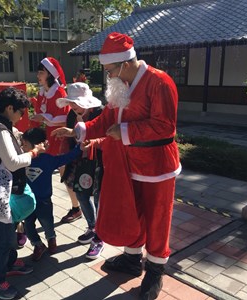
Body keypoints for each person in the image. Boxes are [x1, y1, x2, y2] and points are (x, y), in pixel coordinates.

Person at [52, 32, 181, 299]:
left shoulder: (160, 82)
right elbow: (105, 119)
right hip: (128, 163)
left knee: (158, 218)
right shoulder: (121, 86)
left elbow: (164, 126)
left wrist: (123, 132)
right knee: (131, 212)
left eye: (110, 70)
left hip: (157, 166)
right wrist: (77, 130)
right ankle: (132, 259)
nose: (108, 76)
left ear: (125, 63)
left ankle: (155, 270)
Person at [0, 87, 44, 300]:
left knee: (6, 236)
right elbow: (12, 162)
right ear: (9, 108)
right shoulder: (0, 130)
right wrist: (33, 153)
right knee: (3, 240)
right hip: (2, 193)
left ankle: (9, 264)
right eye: (20, 112)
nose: (21, 117)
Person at [55, 82, 105, 260]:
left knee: (99, 199)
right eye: (71, 102)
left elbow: (108, 137)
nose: (73, 106)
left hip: (99, 161)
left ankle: (100, 237)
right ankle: (92, 227)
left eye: (76, 103)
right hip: (79, 160)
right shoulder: (71, 114)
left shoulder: (101, 112)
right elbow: (73, 136)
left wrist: (89, 140)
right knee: (81, 194)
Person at [30, 57, 82, 224]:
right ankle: (69, 206)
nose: (38, 75)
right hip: (49, 137)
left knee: (64, 174)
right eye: (38, 72)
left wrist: (43, 117)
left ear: (50, 74)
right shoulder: (42, 91)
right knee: (53, 171)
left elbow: (64, 117)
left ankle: (76, 208)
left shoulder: (59, 92)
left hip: (60, 137)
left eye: (41, 72)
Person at [21, 127, 82, 261]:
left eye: (25, 144)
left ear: (37, 145)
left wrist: (80, 147)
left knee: (47, 223)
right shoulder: (23, 160)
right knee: (28, 227)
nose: (22, 147)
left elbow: (66, 158)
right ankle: (38, 245)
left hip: (44, 201)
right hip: (27, 201)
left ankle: (51, 240)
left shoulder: (47, 159)